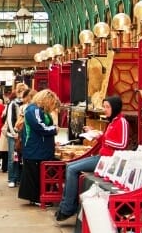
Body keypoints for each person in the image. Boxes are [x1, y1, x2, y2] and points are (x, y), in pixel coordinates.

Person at [55, 95, 130, 223]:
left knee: (72, 169)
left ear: (115, 107)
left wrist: (101, 137)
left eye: (107, 107)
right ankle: (65, 206)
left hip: (108, 160)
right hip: (102, 157)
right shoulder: (113, 122)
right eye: (104, 106)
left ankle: (67, 208)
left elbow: (122, 144)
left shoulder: (121, 122)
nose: (105, 109)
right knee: (70, 166)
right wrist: (96, 134)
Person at [17, 89, 59, 204]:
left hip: (40, 150)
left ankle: (37, 197)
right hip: (35, 150)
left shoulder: (38, 110)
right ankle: (37, 198)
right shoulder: (33, 110)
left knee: (37, 175)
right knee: (35, 176)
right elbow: (40, 127)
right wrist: (54, 129)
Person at [4, 83, 28, 188]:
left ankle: (19, 178)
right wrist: (14, 133)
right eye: (20, 91)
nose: (21, 93)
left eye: (24, 91)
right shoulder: (12, 104)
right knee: (13, 157)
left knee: (21, 157)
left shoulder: (27, 105)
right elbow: (9, 119)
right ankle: (12, 178)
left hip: (23, 134)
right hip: (13, 135)